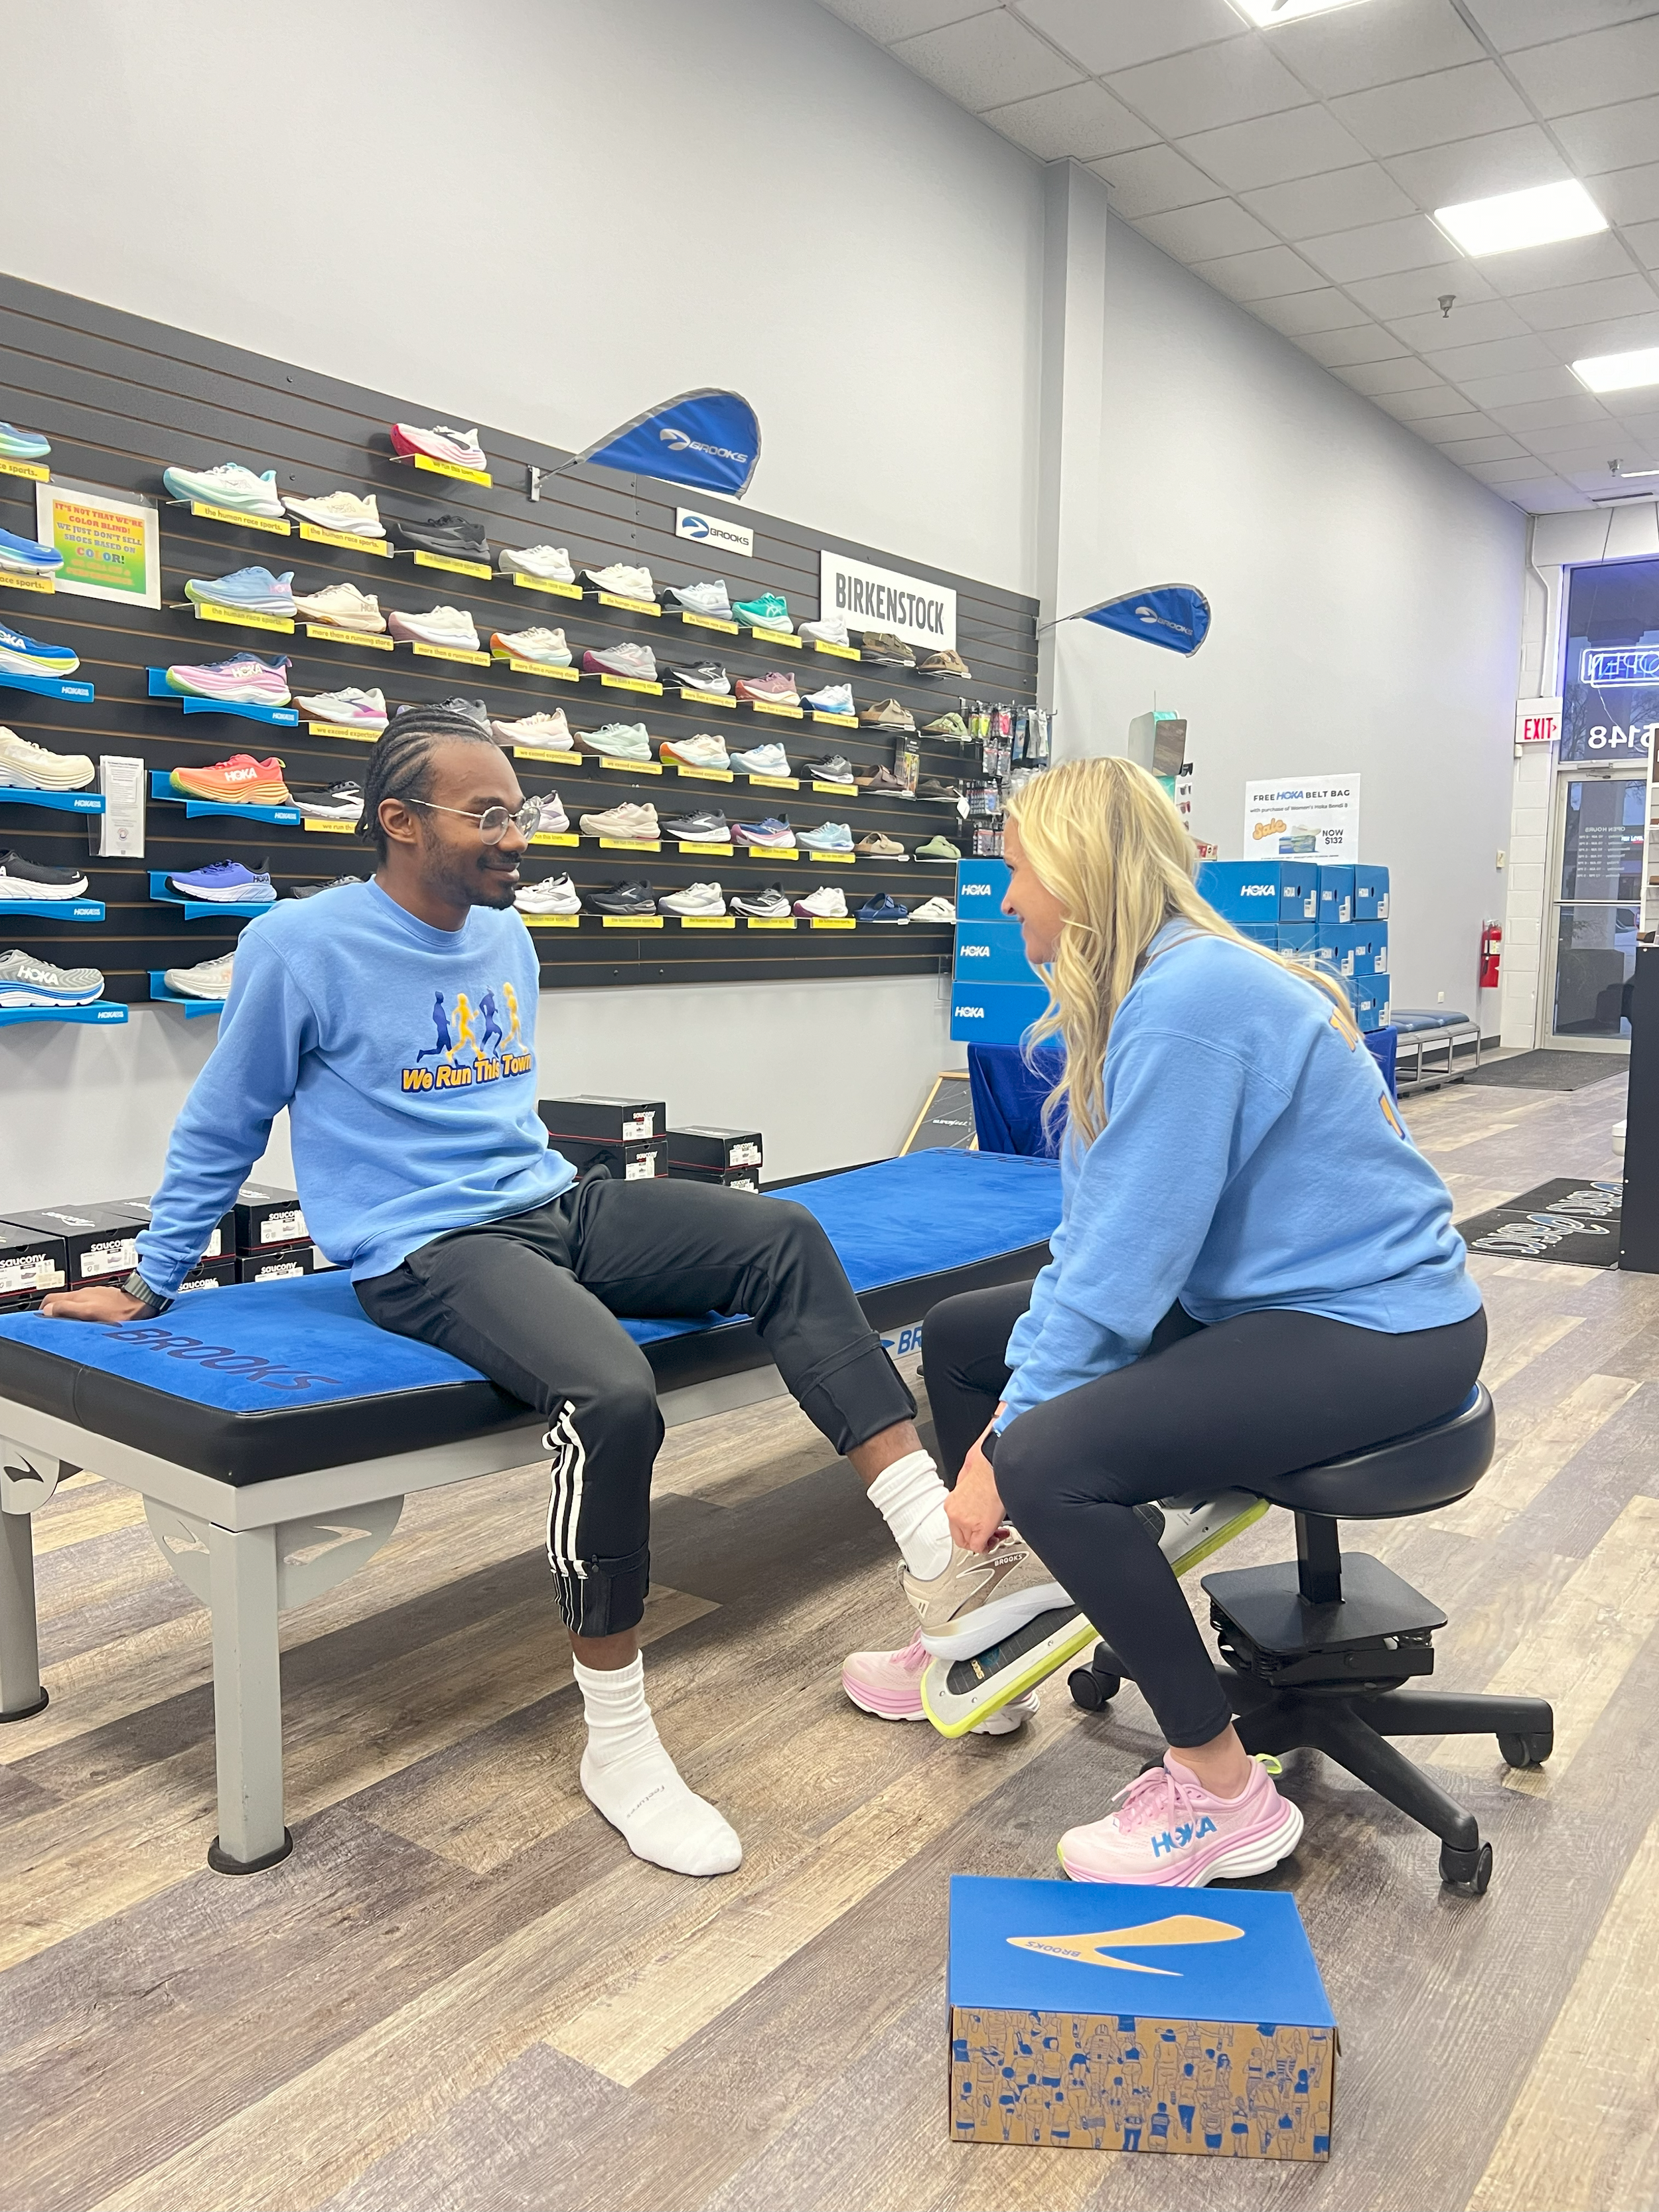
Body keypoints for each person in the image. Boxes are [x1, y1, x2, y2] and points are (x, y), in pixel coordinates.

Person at [40, 705, 1021, 1878]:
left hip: (554, 1203)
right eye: (488, 815)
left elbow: (499, 1125)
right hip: (426, 1251)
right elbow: (225, 1119)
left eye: (520, 812)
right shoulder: (302, 948)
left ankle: (932, 1547)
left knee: (783, 1234)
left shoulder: (509, 936)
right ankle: (618, 1741)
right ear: (400, 823)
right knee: (612, 1395)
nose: (517, 838)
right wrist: (152, 1280)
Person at [841, 755, 1484, 1885]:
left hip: (1381, 1332)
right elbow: (1098, 1245)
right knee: (958, 1336)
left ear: (1083, 876)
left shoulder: (1190, 1004)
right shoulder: (1148, 991)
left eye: (1019, 867)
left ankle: (1223, 1793)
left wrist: (1001, 1454)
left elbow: (1124, 1274)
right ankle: (993, 1626)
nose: (1005, 897)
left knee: (1045, 1455)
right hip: (1270, 1304)